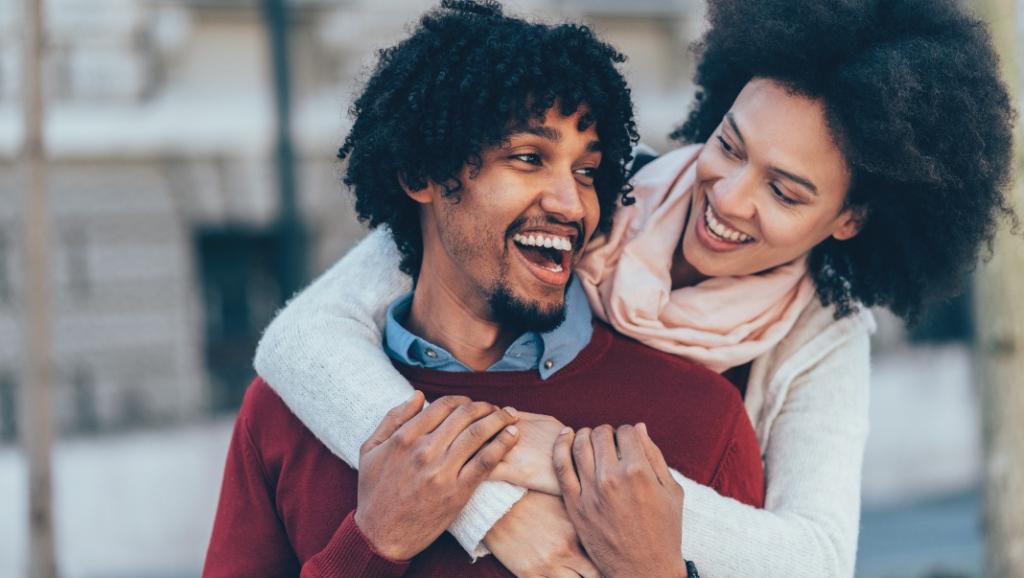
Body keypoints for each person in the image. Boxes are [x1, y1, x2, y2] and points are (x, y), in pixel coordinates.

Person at [255, 0, 1017, 575]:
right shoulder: (589, 193)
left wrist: (581, 470)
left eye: (785, 192)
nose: (728, 198)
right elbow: (299, 341)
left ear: (847, 219)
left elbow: (812, 558)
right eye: (729, 145)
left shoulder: (817, 337)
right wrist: (494, 504)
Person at [205, 2, 766, 576]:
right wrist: (373, 543)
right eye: (529, 158)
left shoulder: (697, 414)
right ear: (423, 176)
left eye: (586, 171)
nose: (572, 204)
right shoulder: (285, 412)